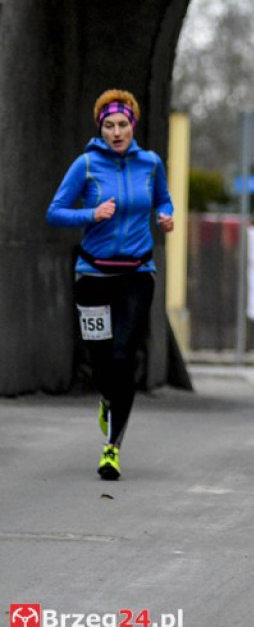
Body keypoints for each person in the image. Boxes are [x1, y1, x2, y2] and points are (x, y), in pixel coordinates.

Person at [46, 89, 175, 481]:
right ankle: (106, 397)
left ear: (133, 126)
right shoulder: (85, 166)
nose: (116, 132)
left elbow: (163, 199)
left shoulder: (150, 164)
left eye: (122, 125)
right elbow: (55, 213)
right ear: (100, 129)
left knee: (124, 358)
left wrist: (165, 216)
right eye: (109, 126)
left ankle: (112, 448)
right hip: (93, 276)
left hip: (137, 274)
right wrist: (92, 212)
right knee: (101, 362)